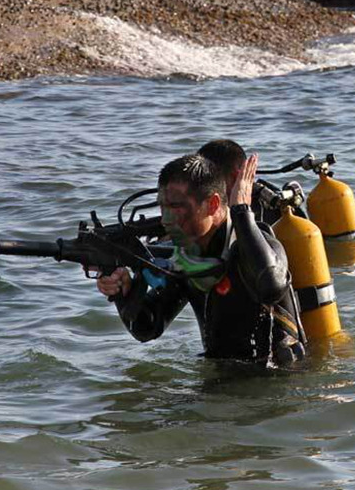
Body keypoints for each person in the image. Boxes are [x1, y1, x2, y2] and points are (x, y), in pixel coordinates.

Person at [97, 152, 307, 365]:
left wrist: (241, 212)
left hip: (277, 378)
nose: (166, 220)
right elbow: (146, 328)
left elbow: (271, 285)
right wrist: (125, 293)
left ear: (213, 204)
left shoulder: (257, 245)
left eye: (176, 207)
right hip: (221, 376)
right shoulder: (188, 258)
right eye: (162, 206)